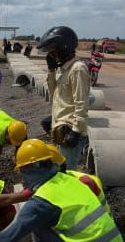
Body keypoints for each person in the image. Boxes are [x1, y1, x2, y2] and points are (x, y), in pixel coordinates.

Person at [0, 140, 110, 216]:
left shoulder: (85, 183)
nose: (25, 176)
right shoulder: (49, 184)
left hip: (95, 232)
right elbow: (7, 199)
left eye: (27, 170)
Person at [37, 26, 90, 170]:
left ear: (63, 48)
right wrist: (51, 71)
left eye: (53, 52)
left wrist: (76, 131)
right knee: (59, 170)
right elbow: (54, 94)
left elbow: (81, 103)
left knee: (66, 173)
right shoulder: (65, 70)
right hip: (61, 131)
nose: (52, 56)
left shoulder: (77, 69)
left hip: (70, 133)